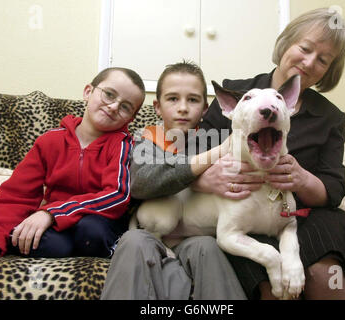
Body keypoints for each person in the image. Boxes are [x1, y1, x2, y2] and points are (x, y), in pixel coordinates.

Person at [195, 8, 345, 300]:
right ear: (285, 44)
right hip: (244, 217)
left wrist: (302, 179)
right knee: (271, 286)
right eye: (305, 49)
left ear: (329, 70)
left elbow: (333, 189)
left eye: (323, 60)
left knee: (323, 276)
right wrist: (206, 180)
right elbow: (189, 161)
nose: (309, 62)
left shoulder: (330, 117)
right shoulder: (233, 94)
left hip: (308, 217)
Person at [101, 61, 247, 300]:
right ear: (157, 107)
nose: (182, 108)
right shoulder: (146, 139)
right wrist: (198, 174)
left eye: (192, 100)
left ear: (205, 109)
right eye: (172, 99)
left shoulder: (212, 140)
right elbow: (142, 182)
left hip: (197, 234)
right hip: (151, 231)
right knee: (133, 240)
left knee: (208, 248)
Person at [0, 67, 146, 259]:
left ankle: (110, 251)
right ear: (88, 92)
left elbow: (116, 196)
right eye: (109, 94)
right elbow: (16, 194)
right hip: (57, 226)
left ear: (131, 118)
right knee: (43, 243)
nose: (114, 106)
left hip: (98, 221)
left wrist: (52, 212)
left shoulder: (123, 145)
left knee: (90, 231)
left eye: (125, 106)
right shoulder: (49, 141)